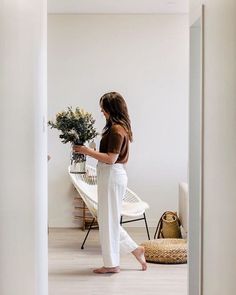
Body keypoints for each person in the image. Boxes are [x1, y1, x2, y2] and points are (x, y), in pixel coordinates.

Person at [73, 92, 147, 274]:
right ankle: (134, 250)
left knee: (108, 221)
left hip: (112, 175)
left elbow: (111, 159)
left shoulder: (116, 130)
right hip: (110, 175)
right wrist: (89, 150)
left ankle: (112, 264)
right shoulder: (116, 127)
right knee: (108, 220)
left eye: (103, 107)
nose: (101, 110)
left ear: (111, 108)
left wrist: (85, 151)